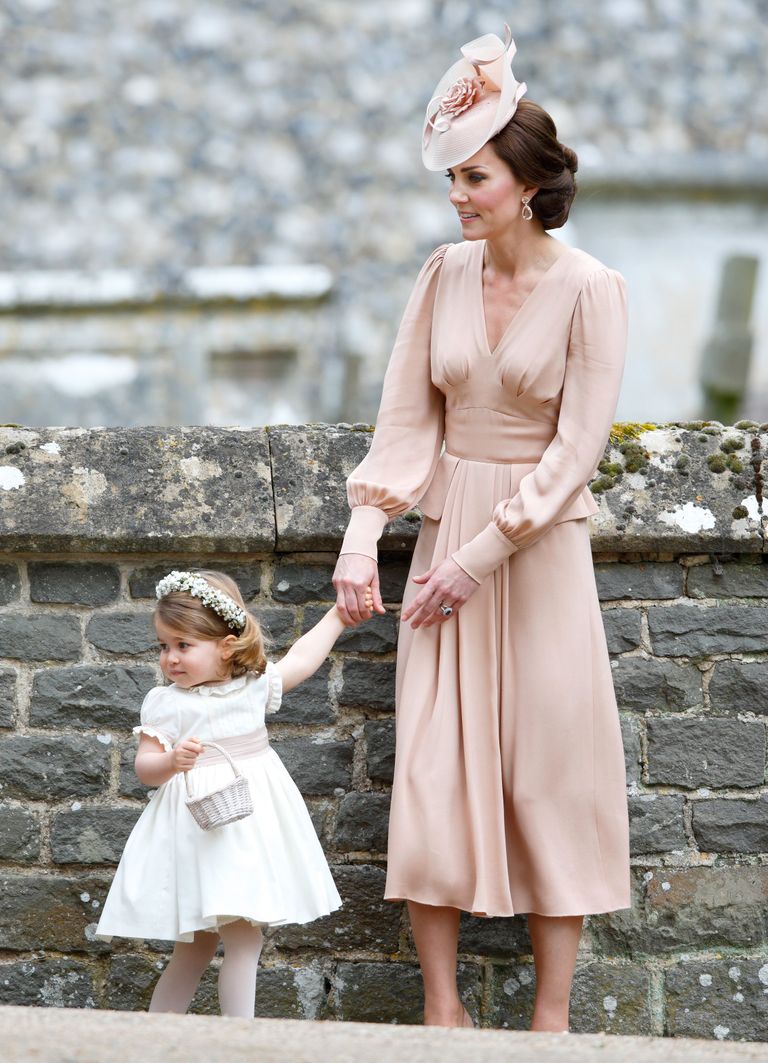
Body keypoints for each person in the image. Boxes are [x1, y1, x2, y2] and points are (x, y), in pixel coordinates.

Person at [332, 27, 631, 1032]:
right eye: (454, 178)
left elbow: (577, 447)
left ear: (530, 182)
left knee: (552, 760)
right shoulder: (440, 275)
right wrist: (360, 536)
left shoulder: (592, 288)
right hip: (447, 520)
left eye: (475, 177)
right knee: (434, 760)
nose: (459, 196)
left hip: (535, 552)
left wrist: (478, 553)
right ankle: (442, 1010)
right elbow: (406, 419)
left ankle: (551, 1020)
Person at [97, 569, 371, 1018]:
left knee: (243, 937)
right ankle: (174, 1036)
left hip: (247, 826)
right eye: (164, 646)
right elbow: (146, 769)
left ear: (226, 645)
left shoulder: (253, 686)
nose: (171, 659)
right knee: (197, 946)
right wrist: (170, 762)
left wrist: (339, 616)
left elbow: (303, 658)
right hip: (195, 832)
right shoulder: (166, 702)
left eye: (184, 646)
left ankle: (229, 1036)